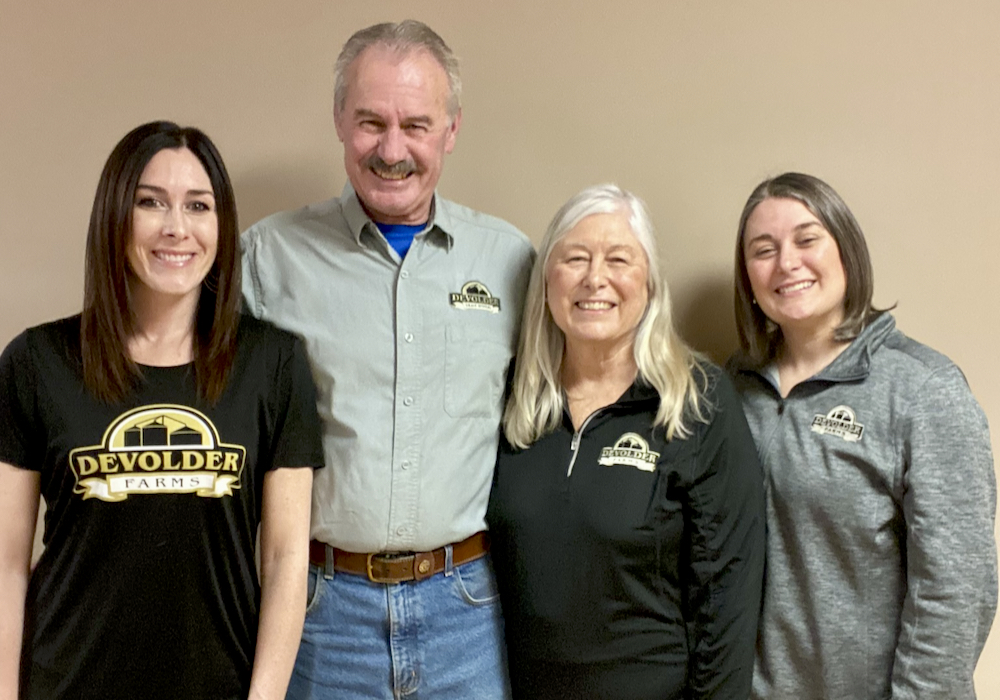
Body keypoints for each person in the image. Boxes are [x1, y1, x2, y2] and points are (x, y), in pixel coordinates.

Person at [240, 20, 535, 700]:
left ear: (451, 130)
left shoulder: (511, 261)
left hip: (466, 611)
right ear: (340, 120)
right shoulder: (267, 260)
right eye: (371, 121)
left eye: (417, 125)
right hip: (320, 613)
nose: (392, 149)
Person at [0, 121, 324, 700]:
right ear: (115, 216)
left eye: (198, 206)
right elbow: (4, 565)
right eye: (151, 202)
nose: (177, 228)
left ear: (221, 225)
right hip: (67, 683)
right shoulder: (35, 362)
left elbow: (284, 559)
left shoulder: (273, 364)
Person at [487, 184, 765, 700]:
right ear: (546, 279)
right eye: (575, 258)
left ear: (650, 284)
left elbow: (728, 593)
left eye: (619, 259)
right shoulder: (508, 401)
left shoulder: (698, 403)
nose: (596, 278)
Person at [728, 172, 998, 700]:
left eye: (807, 239)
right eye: (764, 250)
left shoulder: (922, 389)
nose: (787, 263)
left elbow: (957, 590)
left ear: (847, 251)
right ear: (749, 282)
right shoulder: (732, 392)